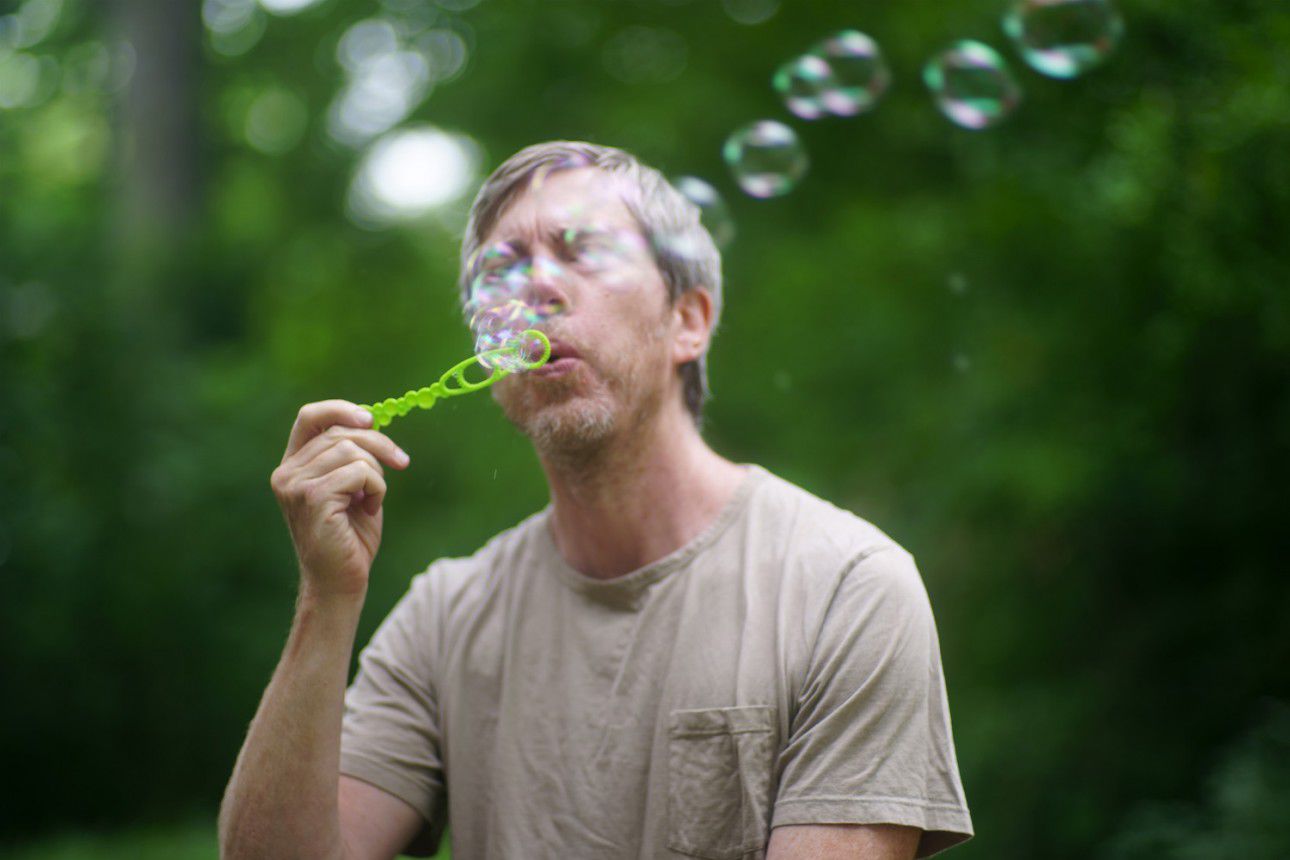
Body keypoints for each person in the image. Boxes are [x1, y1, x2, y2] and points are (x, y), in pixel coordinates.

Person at [218, 141, 974, 860]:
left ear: (688, 321)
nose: (535, 289)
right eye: (502, 269)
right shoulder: (444, 619)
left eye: (583, 251)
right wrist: (328, 595)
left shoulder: (846, 592)